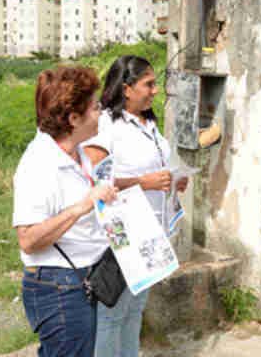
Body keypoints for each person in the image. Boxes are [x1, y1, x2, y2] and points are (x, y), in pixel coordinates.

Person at [83, 55, 188, 357]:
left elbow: (156, 170)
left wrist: (173, 182)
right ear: (126, 88)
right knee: (112, 312)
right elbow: (94, 180)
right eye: (149, 84)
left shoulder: (148, 123)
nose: (156, 90)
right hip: (122, 231)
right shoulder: (106, 124)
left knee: (135, 309)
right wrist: (143, 182)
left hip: (151, 230)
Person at [13, 67, 117, 357]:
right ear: (73, 118)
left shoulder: (76, 152)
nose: (101, 114)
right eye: (95, 107)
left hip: (81, 280)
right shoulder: (39, 165)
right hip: (58, 288)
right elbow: (28, 239)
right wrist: (83, 205)